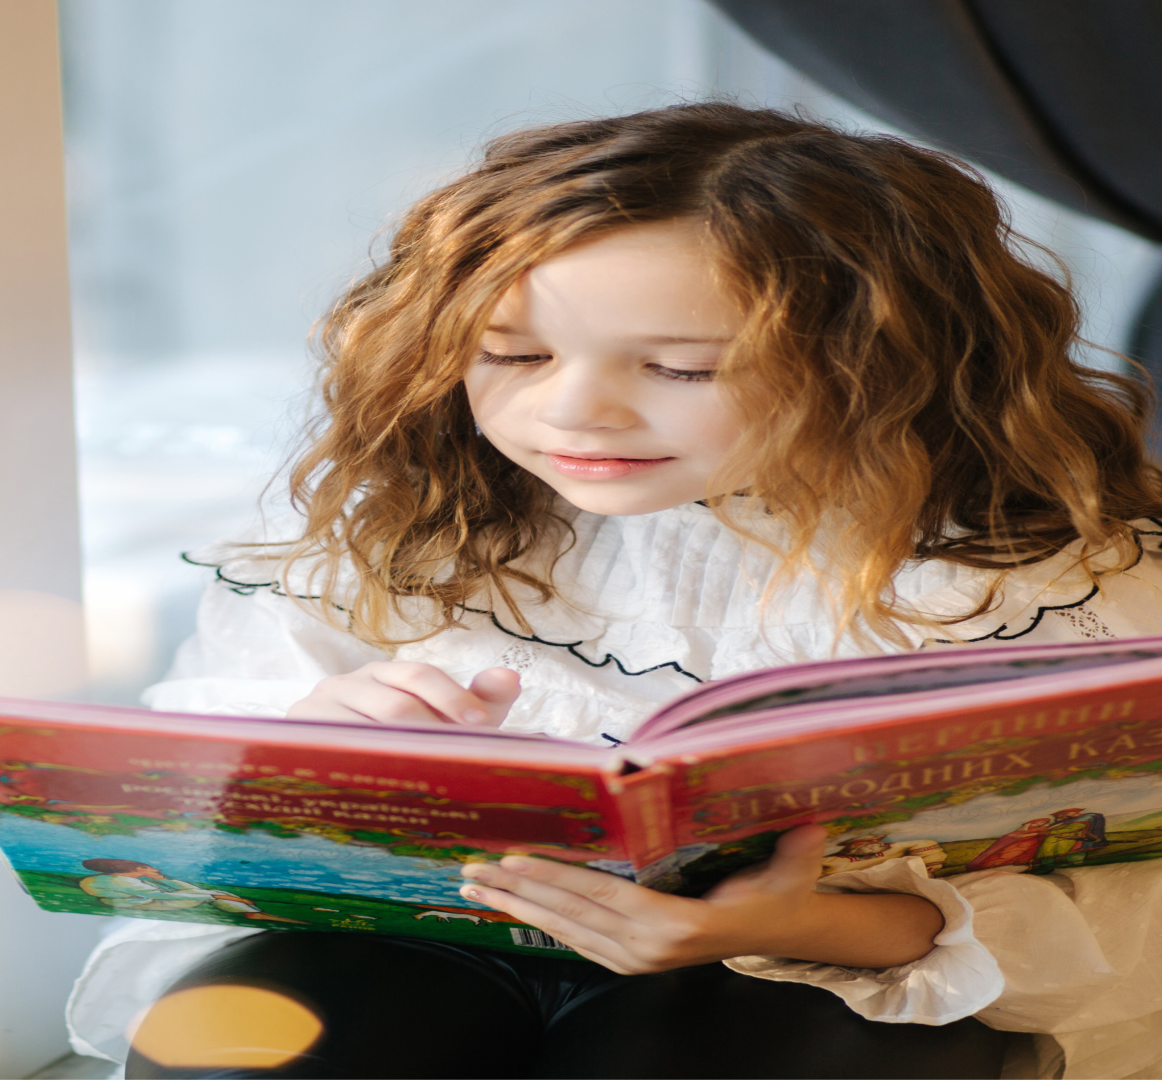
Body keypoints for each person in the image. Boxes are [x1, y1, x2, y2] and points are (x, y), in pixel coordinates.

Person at [66, 103, 1162, 1079]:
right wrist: (309, 750)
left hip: (807, 975)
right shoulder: (398, 525)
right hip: (424, 946)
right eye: (511, 355)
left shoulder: (1046, 596)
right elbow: (185, 820)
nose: (576, 413)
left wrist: (802, 921)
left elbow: (1121, 930)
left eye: (681, 368)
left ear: (887, 363)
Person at [76, 858, 307, 922]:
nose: (154, 868)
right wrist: (218, 895)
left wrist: (163, 877)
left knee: (207, 893)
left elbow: (177, 888)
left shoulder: (122, 878)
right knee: (209, 896)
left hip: (139, 899)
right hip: (144, 903)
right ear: (138, 868)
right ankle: (250, 911)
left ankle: (249, 910)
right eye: (148, 867)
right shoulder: (125, 882)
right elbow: (161, 896)